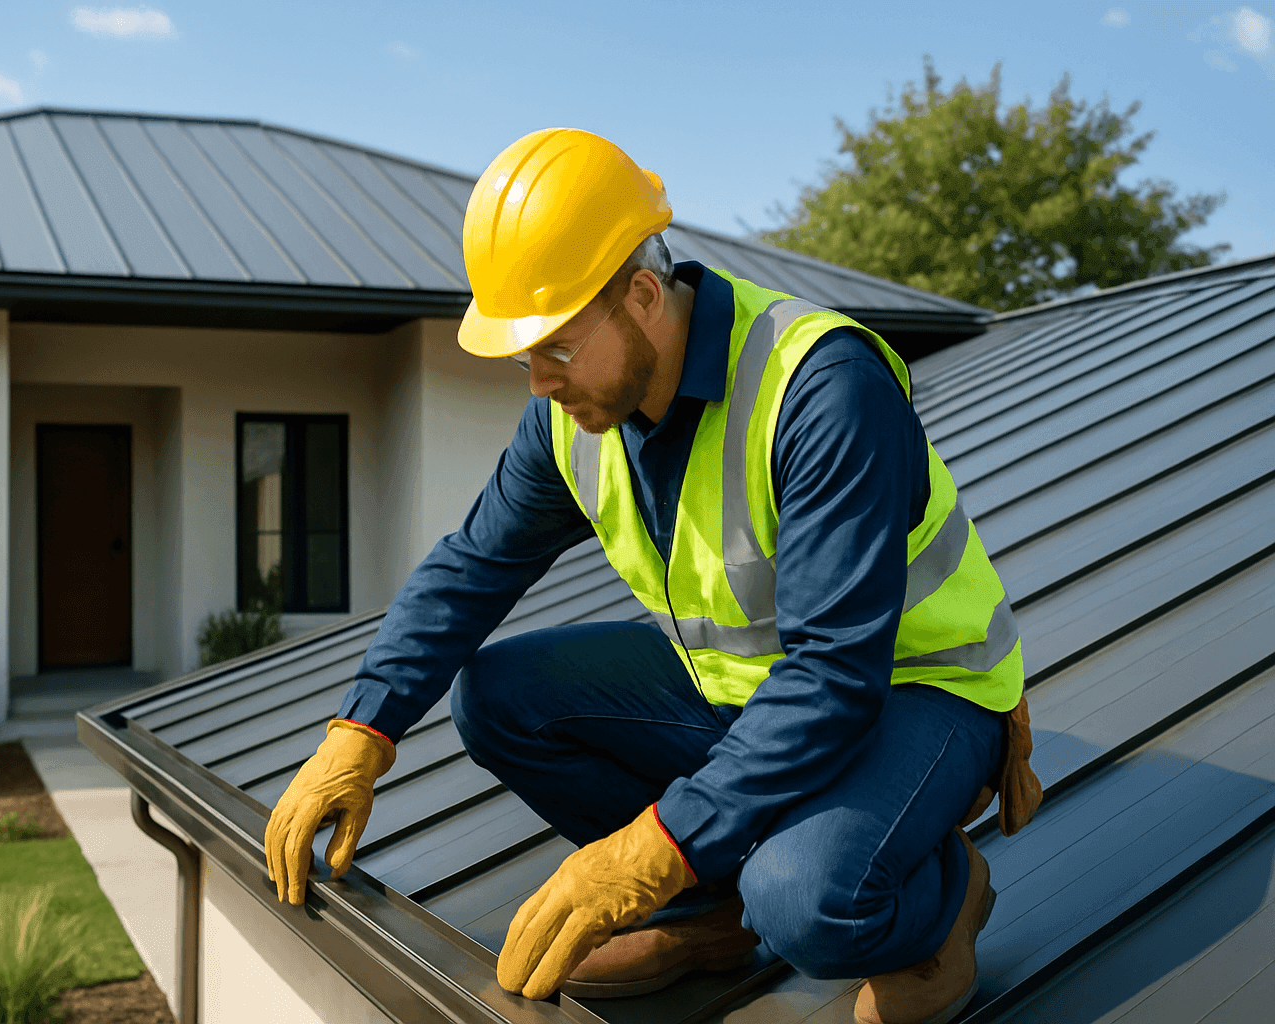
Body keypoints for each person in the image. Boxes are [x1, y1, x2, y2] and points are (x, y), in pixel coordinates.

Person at [264, 128, 1041, 1024]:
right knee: (499, 696)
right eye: (523, 355)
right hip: (743, 692)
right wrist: (362, 728)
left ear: (641, 296)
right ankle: (710, 915)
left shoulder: (820, 387)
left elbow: (835, 673)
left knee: (804, 899)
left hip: (916, 689)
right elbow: (472, 567)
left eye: (553, 346)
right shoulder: (574, 416)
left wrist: (649, 848)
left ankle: (943, 900)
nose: (537, 381)